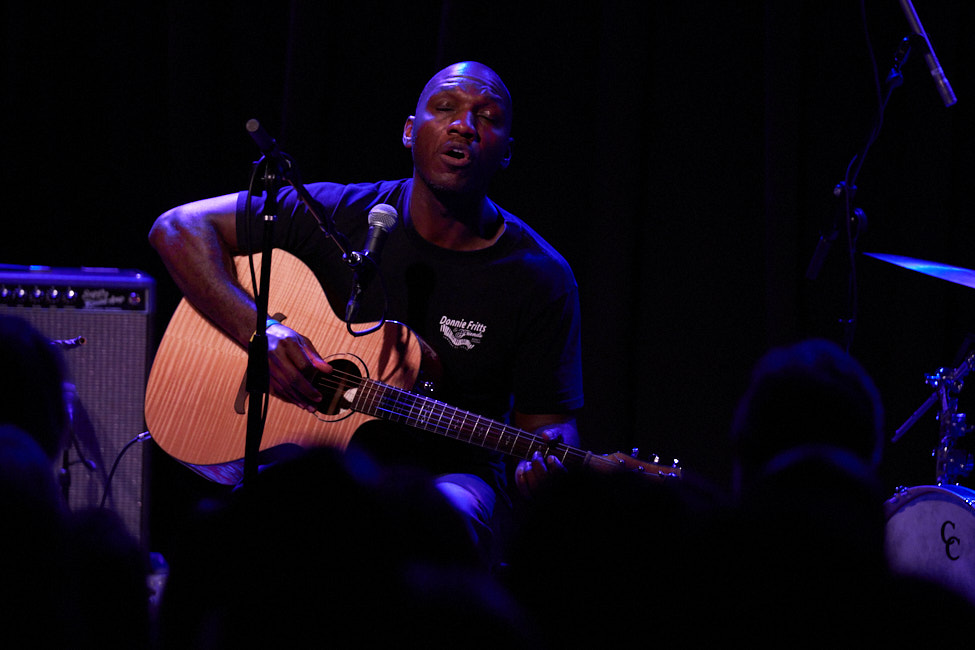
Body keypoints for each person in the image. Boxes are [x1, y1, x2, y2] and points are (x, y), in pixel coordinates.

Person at [149, 61, 584, 558]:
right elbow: (176, 228)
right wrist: (261, 331)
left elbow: (548, 424)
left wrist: (549, 459)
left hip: (451, 471)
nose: (464, 124)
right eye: (446, 108)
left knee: (439, 521)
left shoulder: (539, 275)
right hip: (319, 462)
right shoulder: (338, 214)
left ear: (506, 153)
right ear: (408, 131)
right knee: (237, 533)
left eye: (487, 116)